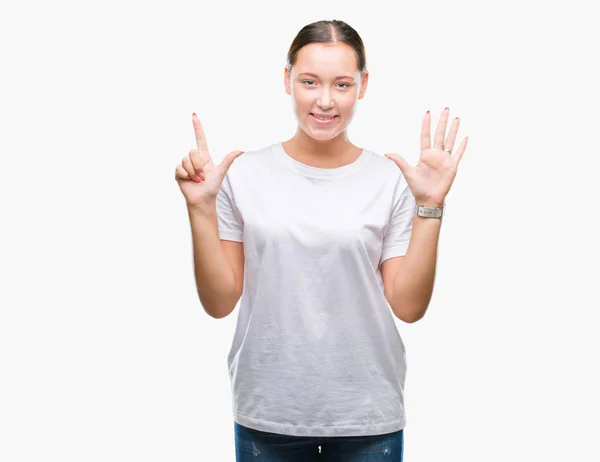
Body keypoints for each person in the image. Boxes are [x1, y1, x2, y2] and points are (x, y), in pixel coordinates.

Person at [175, 19, 468, 462]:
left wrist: (430, 205)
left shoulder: (390, 180)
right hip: (269, 409)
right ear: (287, 79)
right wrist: (199, 209)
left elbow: (409, 306)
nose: (325, 100)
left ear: (363, 86)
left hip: (365, 411)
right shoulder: (243, 175)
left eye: (342, 84)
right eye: (309, 82)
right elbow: (219, 302)